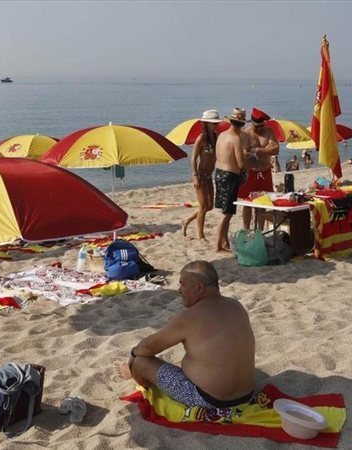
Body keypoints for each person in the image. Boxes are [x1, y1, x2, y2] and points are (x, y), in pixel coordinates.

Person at [114, 261, 255, 408]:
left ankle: (135, 374)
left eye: (182, 284)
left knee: (140, 362)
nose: (179, 290)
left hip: (210, 400)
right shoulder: (236, 305)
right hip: (247, 395)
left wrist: (131, 361)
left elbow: (146, 348)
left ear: (199, 287)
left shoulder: (190, 317)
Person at [181, 110, 222, 241]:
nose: (215, 126)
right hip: (201, 175)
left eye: (216, 123)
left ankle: (187, 220)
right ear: (206, 124)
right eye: (212, 123)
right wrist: (194, 176)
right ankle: (200, 235)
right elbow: (193, 158)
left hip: (210, 176)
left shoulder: (215, 137)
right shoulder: (201, 138)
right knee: (203, 206)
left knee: (209, 206)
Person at [214, 108, 249, 253]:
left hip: (218, 173)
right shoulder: (236, 139)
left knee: (225, 210)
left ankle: (225, 241)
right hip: (230, 175)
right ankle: (217, 244)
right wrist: (249, 163)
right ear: (241, 125)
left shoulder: (221, 135)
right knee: (227, 213)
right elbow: (241, 164)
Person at [239, 108, 279, 230]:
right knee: (247, 203)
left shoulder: (268, 131)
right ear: (252, 123)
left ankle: (260, 230)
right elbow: (245, 154)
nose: (260, 129)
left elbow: (276, 149)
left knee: (263, 203)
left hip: (265, 172)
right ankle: (246, 229)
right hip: (250, 172)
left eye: (262, 126)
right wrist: (265, 150)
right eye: (257, 126)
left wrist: (256, 150)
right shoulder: (246, 134)